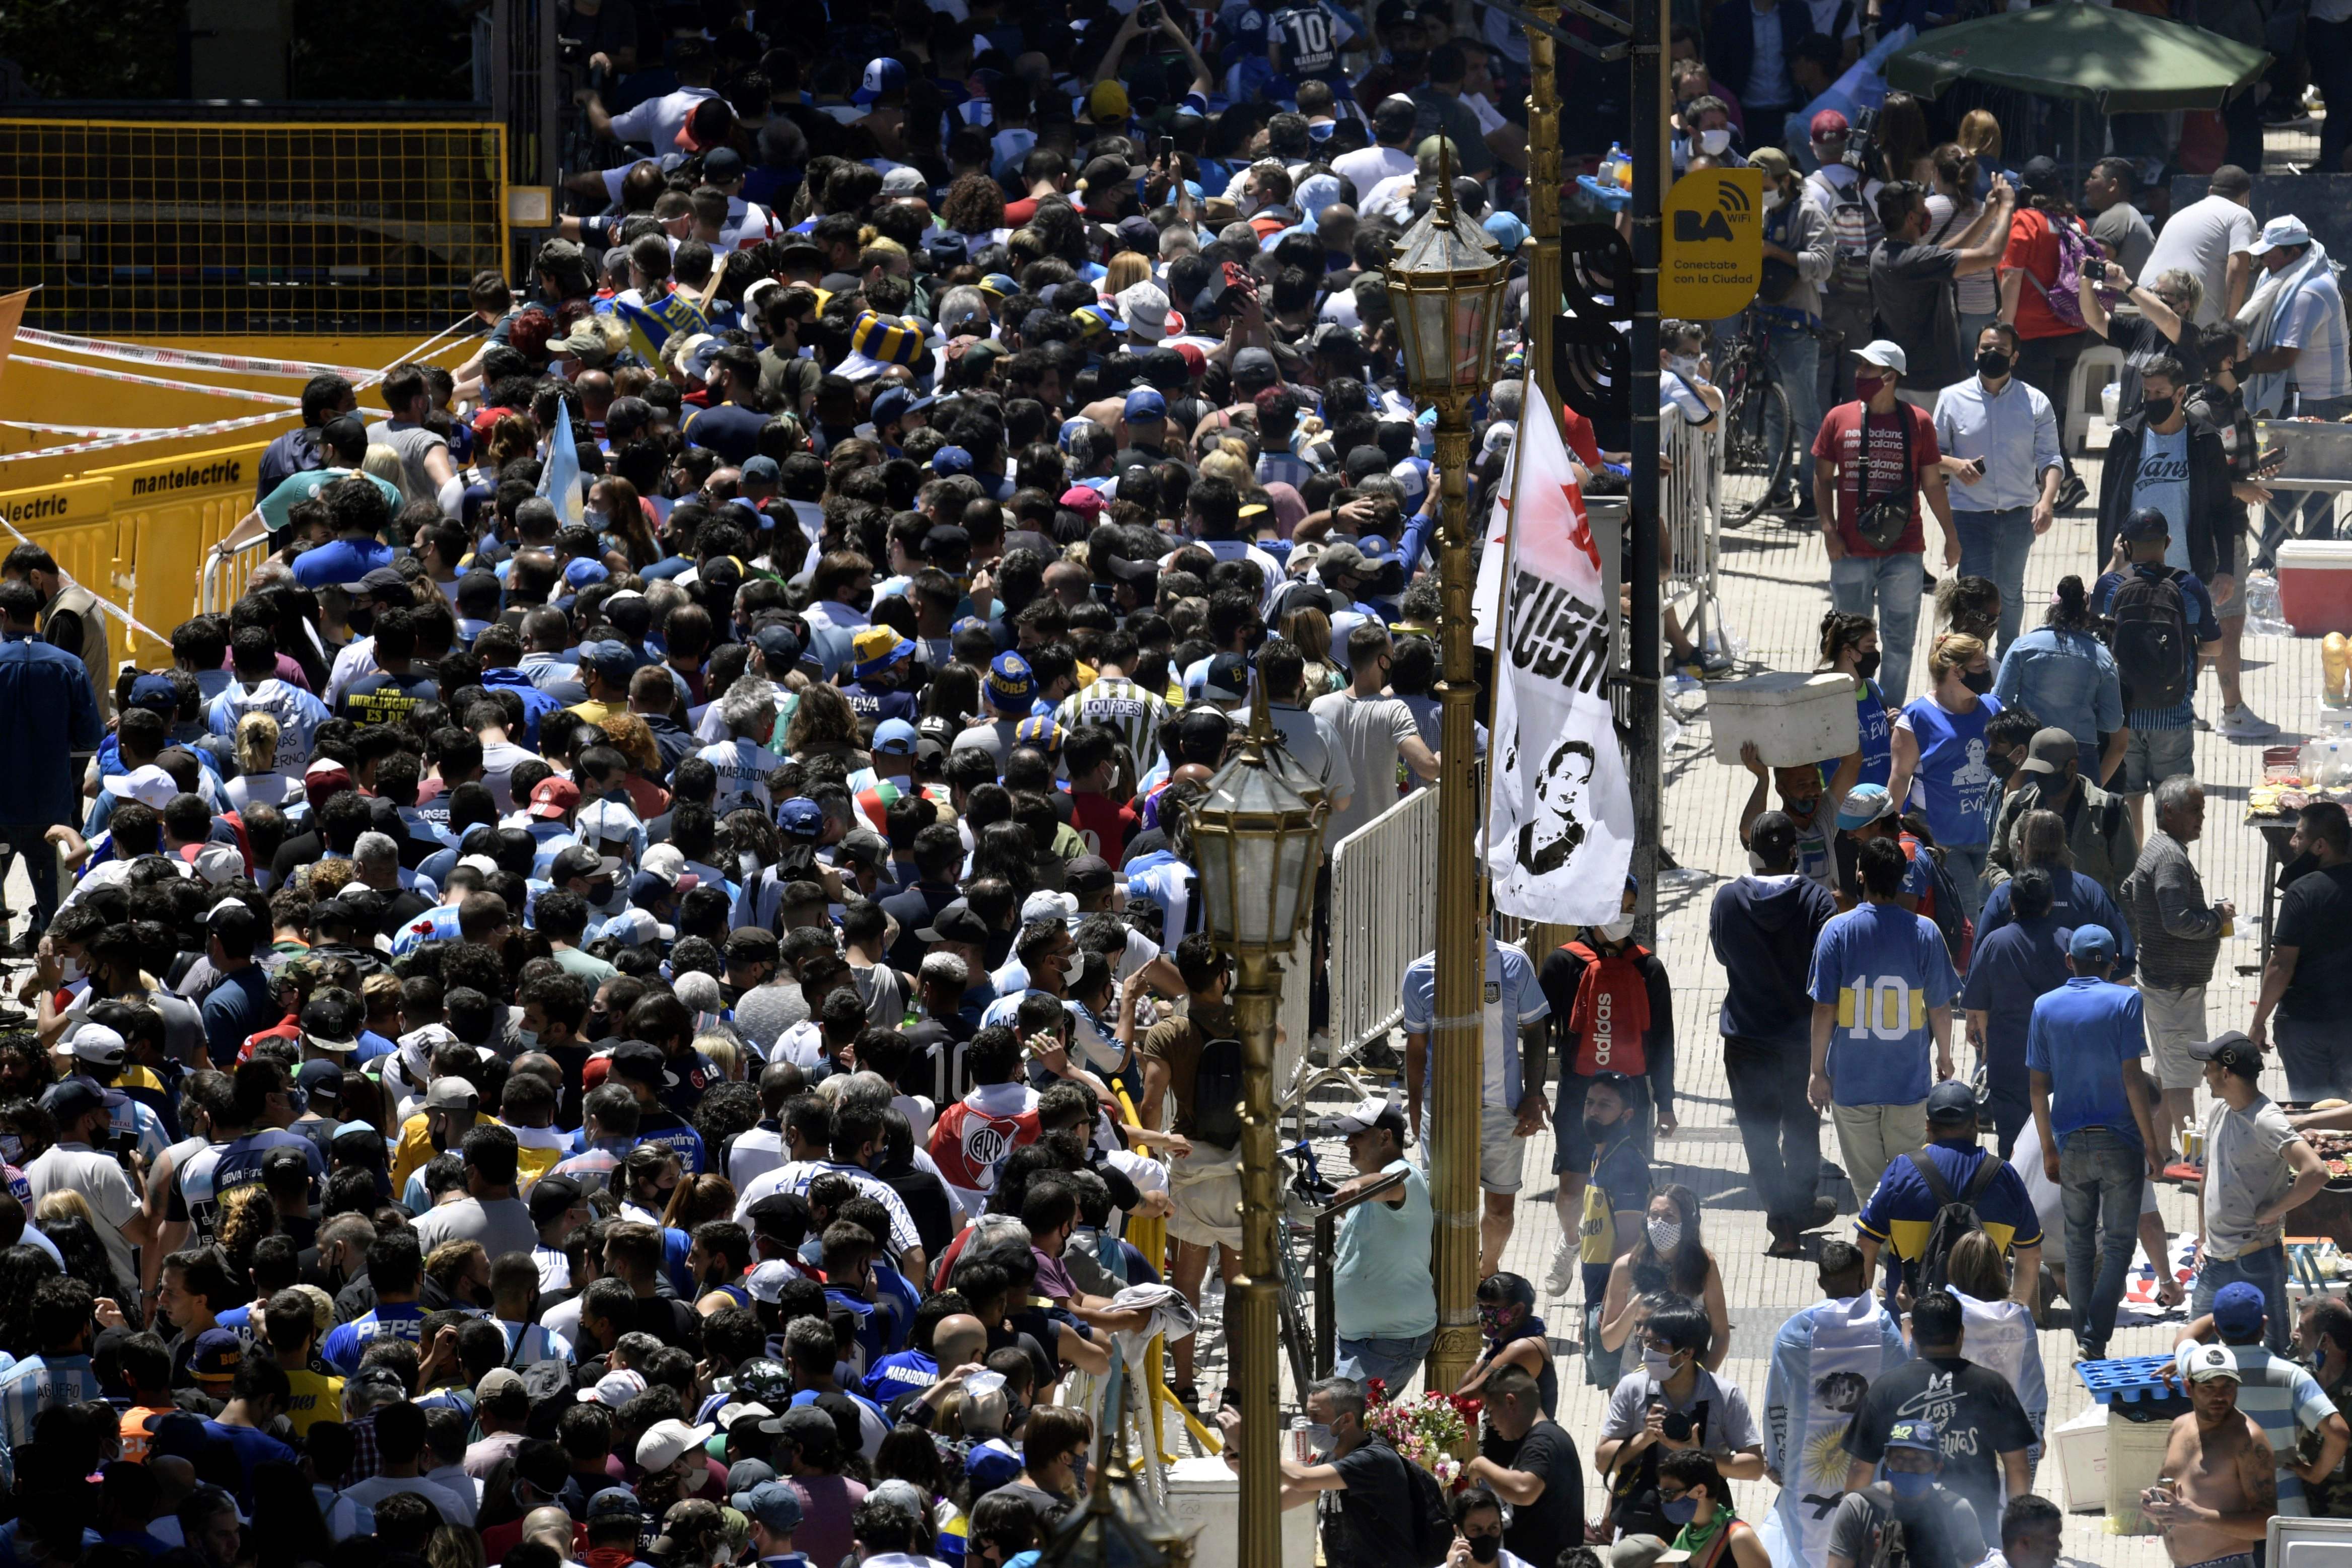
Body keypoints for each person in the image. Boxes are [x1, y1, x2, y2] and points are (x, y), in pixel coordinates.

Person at [2026, 923, 2164, 1360]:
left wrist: (2049, 1147)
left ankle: (2085, 1335)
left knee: (2079, 1243)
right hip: (2119, 1141)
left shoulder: (2044, 1006)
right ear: (2111, 964)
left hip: (2070, 1143)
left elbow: (2036, 1087)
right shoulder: (2125, 1000)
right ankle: (2093, 1339)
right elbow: (2131, 1078)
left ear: (2070, 961)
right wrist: (2151, 1143)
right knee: (2120, 1244)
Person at [1709, 809, 1839, 1254]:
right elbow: (1827, 971)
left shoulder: (1726, 899)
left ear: (1752, 854)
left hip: (1745, 1038)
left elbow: (1723, 955)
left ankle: (1781, 1220)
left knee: (1757, 1132)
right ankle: (1799, 1206)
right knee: (1802, 1128)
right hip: (1799, 1042)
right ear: (1793, 853)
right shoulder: (1818, 902)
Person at [1808, 835, 1962, 1205]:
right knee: (1910, 1180)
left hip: (1851, 1083)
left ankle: (1876, 1256)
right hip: (1907, 1085)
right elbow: (1940, 1008)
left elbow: (1824, 1009)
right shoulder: (1924, 933)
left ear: (1859, 875)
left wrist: (1817, 1071)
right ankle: (1905, 1255)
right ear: (1901, 879)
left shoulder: (1836, 932)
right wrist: (1944, 1056)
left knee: (1868, 1188)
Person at [1538, 881, 1674, 1287]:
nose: (1625, 917)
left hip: (1631, 1095)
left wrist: (1664, 1101)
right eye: (1618, 907)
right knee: (1571, 1187)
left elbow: (1663, 1038)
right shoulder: (1563, 963)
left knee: (1627, 1188)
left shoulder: (1648, 968)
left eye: (1631, 908)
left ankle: (1617, 1274)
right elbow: (1536, 1030)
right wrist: (1530, 1094)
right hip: (1580, 1095)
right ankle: (1570, 1243)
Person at [1810, 338, 1958, 706]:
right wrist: (1828, 530)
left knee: (1899, 640)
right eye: (1859, 367)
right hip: (1850, 548)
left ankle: (1889, 713)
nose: (1859, 374)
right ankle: (1849, 710)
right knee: (1846, 641)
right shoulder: (1837, 418)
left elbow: (1931, 484)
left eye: (1868, 369)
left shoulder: (1918, 422)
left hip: (1904, 551)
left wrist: (1950, 537)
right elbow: (1821, 477)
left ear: (1890, 377)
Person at [1401, 932, 1549, 1279]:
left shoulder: (1513, 963)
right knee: (1442, 1207)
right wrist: (1415, 1107)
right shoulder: (1420, 972)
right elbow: (1416, 1044)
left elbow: (1536, 1028)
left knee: (1499, 1210)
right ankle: (1448, 1280)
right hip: (1443, 1113)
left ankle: (1486, 1271)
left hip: (1504, 1110)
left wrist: (1534, 1094)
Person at [1762, 1240, 1911, 1568]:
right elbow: (1904, 1400)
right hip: (1870, 1469)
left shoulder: (1794, 1333)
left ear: (1820, 1282)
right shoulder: (1884, 1332)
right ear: (1863, 1279)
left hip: (1805, 1468)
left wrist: (1776, 1460)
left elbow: (1777, 1401)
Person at [1843, 1290, 2033, 1535]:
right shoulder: (1992, 1386)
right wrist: (2016, 1532)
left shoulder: (1886, 1389)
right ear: (1961, 1334)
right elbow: (2018, 1467)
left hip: (1902, 1540)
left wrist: (1853, 1537)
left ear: (1913, 1335)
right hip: (1976, 1534)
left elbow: (1860, 1469)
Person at [2188, 1031, 2327, 1354]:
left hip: (2254, 1259)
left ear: (2226, 1072)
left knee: (2276, 1349)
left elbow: (2316, 1172)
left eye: (2208, 1067)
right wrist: (2201, 1237)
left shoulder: (2267, 1120)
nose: (2204, 1075)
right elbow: (2208, 1176)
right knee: (2196, 1350)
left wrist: (2273, 1211)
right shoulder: (2220, 1111)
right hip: (2214, 1258)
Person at [1852, 1080, 2042, 1313]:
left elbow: (1866, 1243)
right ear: (1975, 1121)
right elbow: (2030, 1254)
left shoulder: (1902, 1170)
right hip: (1985, 1324)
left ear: (1928, 1126)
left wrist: (1863, 1314)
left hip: (1911, 1324)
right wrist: (2015, 1316)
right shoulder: (2005, 1176)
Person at [2095, 505, 2224, 840]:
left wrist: (2115, 561)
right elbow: (2215, 647)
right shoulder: (2189, 587)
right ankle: (2169, 873)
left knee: (2128, 800)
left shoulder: (2110, 587)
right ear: (2167, 542)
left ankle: (2135, 873)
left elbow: (2093, 629)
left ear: (2126, 543)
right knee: (2174, 803)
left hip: (2122, 714)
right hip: (2173, 712)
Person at [1933, 324, 2061, 659]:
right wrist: (1955, 465)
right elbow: (1930, 454)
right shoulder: (1951, 398)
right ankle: (1969, 661)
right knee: (1975, 595)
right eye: (1986, 348)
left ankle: (2006, 663)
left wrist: (2046, 501)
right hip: (1970, 516)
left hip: (2019, 517)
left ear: (2014, 357)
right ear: (1975, 352)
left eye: (2001, 350)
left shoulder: (2034, 401)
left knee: (2010, 592)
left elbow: (2050, 457)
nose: (1992, 355)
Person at [2172, 1279, 2350, 1518]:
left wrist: (2227, 1313)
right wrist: (2315, 1474)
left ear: (2217, 1329)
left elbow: (2186, 1336)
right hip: (2285, 1509)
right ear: (2263, 1325)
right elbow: (2338, 1434)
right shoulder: (2291, 1376)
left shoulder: (2198, 1368)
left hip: (2225, 1506)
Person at [1596, 1301, 1766, 1542]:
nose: (1649, 1352)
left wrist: (1699, 1456)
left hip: (1704, 1518)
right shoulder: (1632, 1388)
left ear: (1687, 1352)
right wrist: (1644, 1439)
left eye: (1659, 1345)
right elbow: (1602, 1461)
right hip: (1643, 1512)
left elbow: (1754, 1468)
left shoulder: (1724, 1394)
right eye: (1648, 1342)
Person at [1216, 1375, 1428, 1568]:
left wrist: (1250, 1444)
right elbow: (1272, 1505)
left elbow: (1301, 1479)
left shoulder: (1374, 1460)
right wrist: (1244, 1470)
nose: (1310, 1424)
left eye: (1316, 1416)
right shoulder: (1330, 1459)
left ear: (1346, 1420)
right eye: (1308, 1415)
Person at [2122, 775, 2232, 1147]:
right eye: (2194, 811)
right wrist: (2217, 919)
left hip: (2165, 984)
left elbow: (2129, 889)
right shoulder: (2169, 857)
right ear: (2168, 811)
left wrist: (2148, 923)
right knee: (2183, 1080)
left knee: (2171, 1071)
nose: (2201, 818)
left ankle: (2157, 1149)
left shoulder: (2157, 848)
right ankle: (2194, 1162)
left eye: (2202, 810)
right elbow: (2177, 922)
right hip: (2174, 989)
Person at [0, 577, 104, 944]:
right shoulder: (70, 666)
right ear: (39, 615)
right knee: (56, 912)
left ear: (2, 615)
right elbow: (92, 736)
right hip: (51, 809)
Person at [1998, 156, 2096, 509]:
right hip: (2072, 330)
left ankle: (2065, 480)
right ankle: (2050, 480)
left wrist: (2005, 329)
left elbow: (2011, 275)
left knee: (2037, 414)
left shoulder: (2025, 222)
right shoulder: (2076, 222)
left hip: (2033, 333)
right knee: (2051, 409)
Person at [1321, 1093, 1436, 1390]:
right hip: (1360, 1339)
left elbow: (1390, 1185)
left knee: (1335, 1428)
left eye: (1358, 1135)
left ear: (1385, 1138)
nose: (1348, 1143)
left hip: (1388, 1342)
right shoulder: (1372, 1188)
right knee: (1339, 1427)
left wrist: (1357, 1183)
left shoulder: (1403, 1174)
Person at [1887, 632, 2002, 923]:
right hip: (1942, 840)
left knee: (1989, 915)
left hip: (1990, 838)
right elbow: (1900, 779)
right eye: (1980, 666)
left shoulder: (1994, 708)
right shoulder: (1916, 719)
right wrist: (1888, 832)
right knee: (1968, 920)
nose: (1988, 672)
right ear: (1957, 672)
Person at [1870, 177, 2015, 406]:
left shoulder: (1883, 253)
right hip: (1932, 384)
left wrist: (1987, 215)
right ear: (1910, 219)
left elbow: (1948, 252)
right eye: (1922, 211)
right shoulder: (1914, 261)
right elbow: (1992, 255)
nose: (1927, 214)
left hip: (1905, 378)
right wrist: (2007, 207)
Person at [1754, 146, 1834, 523]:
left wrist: (1776, 253)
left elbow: (1822, 264)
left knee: (1805, 417)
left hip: (1797, 327)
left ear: (1786, 180)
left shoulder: (1808, 212)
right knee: (1773, 412)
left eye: (1766, 185)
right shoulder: (1761, 211)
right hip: (1765, 322)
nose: (1761, 192)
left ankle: (1813, 497)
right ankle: (1778, 492)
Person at [2252, 800, 2352, 1100]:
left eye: (2299, 836)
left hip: (2304, 1027)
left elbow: (2281, 966)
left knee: (2314, 1119)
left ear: (2320, 846)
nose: (2293, 843)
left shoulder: (2303, 892)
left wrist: (2258, 1023)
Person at [2143, 1344, 2276, 1566]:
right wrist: (2152, 1506)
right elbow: (2171, 1495)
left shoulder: (2247, 1441)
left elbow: (2267, 1524)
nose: (2220, 1396)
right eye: (2208, 1387)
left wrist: (2199, 1517)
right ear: (2188, 1388)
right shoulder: (2179, 1427)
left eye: (2228, 1386)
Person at [1983, 722, 2134, 901]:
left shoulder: (2109, 811)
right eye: (2036, 771)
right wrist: (2012, 890)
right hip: (2033, 920)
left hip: (2087, 921)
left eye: (2047, 771)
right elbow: (1995, 861)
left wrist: (2122, 928)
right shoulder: (2017, 806)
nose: (2041, 778)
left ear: (2072, 766)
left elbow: (2127, 880)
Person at [1462, 1364, 1586, 1568]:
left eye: (1491, 1412)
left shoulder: (1542, 1442)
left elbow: (1524, 1490)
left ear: (1511, 1402)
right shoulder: (1545, 1437)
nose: (1491, 1423)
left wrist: (1480, 1465)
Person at [1825, 1417, 1988, 1568]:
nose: (1908, 1468)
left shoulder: (1957, 1510)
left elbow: (1978, 1565)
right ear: (1887, 1461)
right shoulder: (1859, 1506)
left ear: (1937, 1467)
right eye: (1900, 1458)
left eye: (1918, 1459)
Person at [2138, 165, 2257, 327]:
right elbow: (2237, 268)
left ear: (2210, 191)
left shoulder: (2183, 213)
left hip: (2148, 291)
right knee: (2206, 348)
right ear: (2246, 197)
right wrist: (2230, 323)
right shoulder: (2241, 215)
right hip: (2185, 295)